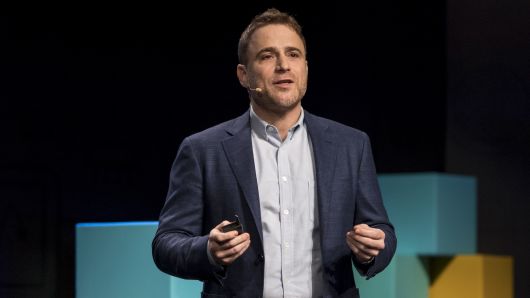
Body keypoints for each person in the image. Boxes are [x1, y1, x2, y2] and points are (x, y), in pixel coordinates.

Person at [152, 8, 396, 298]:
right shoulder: (203, 150)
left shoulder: (350, 145)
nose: (283, 65)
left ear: (305, 67)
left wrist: (372, 249)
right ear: (243, 75)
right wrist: (208, 250)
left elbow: (382, 230)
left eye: (293, 54)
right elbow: (166, 243)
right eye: (267, 56)